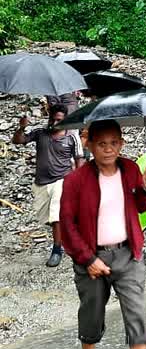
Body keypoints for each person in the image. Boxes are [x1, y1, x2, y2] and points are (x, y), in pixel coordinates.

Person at [59, 119, 146, 349]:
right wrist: (88, 258)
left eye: (114, 143)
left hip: (128, 254)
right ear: (89, 144)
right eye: (101, 144)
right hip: (91, 257)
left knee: (137, 310)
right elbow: (67, 224)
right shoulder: (75, 180)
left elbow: (141, 206)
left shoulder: (130, 169)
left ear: (122, 143)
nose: (108, 149)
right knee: (92, 311)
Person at [12, 104, 85, 267]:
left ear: (65, 120)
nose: (54, 122)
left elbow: (80, 159)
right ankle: (71, 232)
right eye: (52, 119)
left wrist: (79, 182)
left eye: (59, 120)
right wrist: (21, 128)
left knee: (55, 216)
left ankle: (57, 250)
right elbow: (18, 141)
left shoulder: (72, 137)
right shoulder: (40, 133)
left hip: (62, 180)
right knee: (48, 218)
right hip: (41, 183)